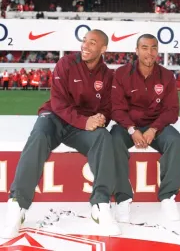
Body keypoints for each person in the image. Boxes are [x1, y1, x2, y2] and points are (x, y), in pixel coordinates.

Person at [0, 29, 121, 239]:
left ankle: (100, 204)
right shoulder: (66, 63)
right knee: (38, 135)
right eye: (84, 41)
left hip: (81, 126)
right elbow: (58, 102)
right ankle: (18, 205)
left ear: (104, 48)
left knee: (104, 137)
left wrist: (101, 119)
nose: (85, 45)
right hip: (56, 117)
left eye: (93, 43)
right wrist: (85, 121)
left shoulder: (108, 75)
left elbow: (109, 107)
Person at [111, 33, 180, 223]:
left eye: (153, 48)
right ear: (136, 51)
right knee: (113, 141)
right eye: (145, 48)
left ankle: (168, 197)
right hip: (128, 125)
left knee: (175, 142)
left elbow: (172, 110)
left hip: (156, 125)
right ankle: (122, 198)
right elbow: (116, 108)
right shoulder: (120, 74)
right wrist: (131, 129)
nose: (150, 52)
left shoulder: (167, 76)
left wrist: (153, 129)